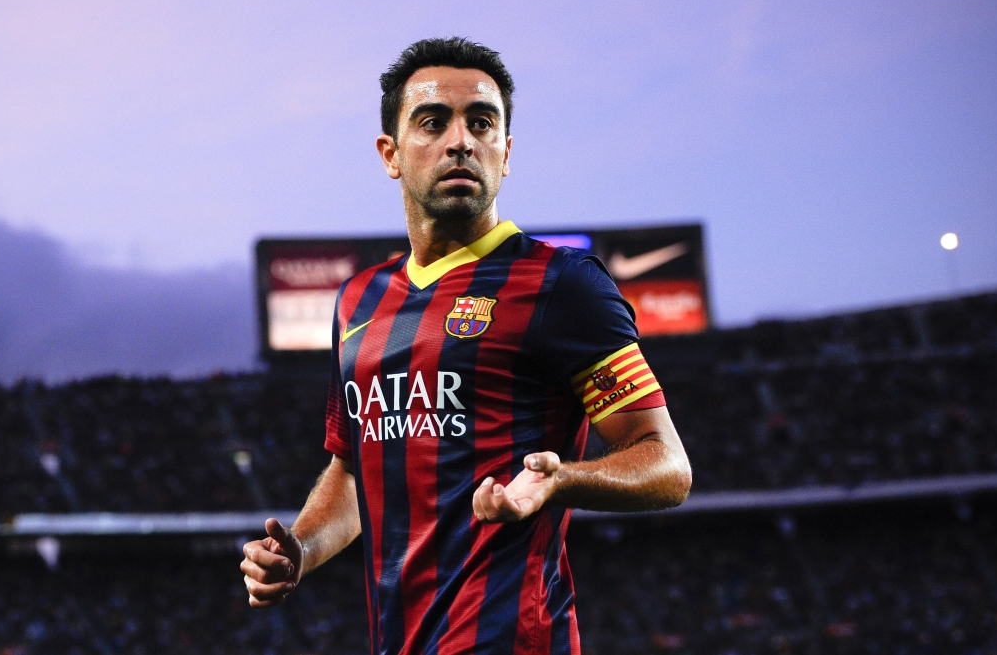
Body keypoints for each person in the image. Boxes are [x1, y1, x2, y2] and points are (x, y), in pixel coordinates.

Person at [240, 37, 692, 655]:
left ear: (506, 153)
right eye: (433, 122)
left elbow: (666, 464)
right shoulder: (358, 302)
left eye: (482, 123)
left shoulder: (563, 287)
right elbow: (354, 468)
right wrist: (302, 548)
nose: (461, 141)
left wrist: (564, 481)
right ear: (390, 154)